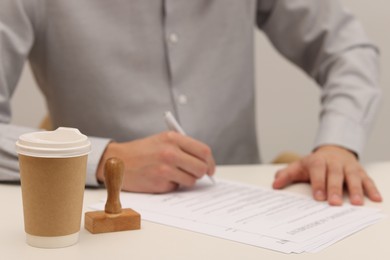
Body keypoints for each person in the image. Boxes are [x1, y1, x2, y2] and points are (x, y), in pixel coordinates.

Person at [0, 0, 382, 206]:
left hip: (245, 219)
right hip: (102, 222)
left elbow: (348, 49)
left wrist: (337, 143)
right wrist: (105, 160)